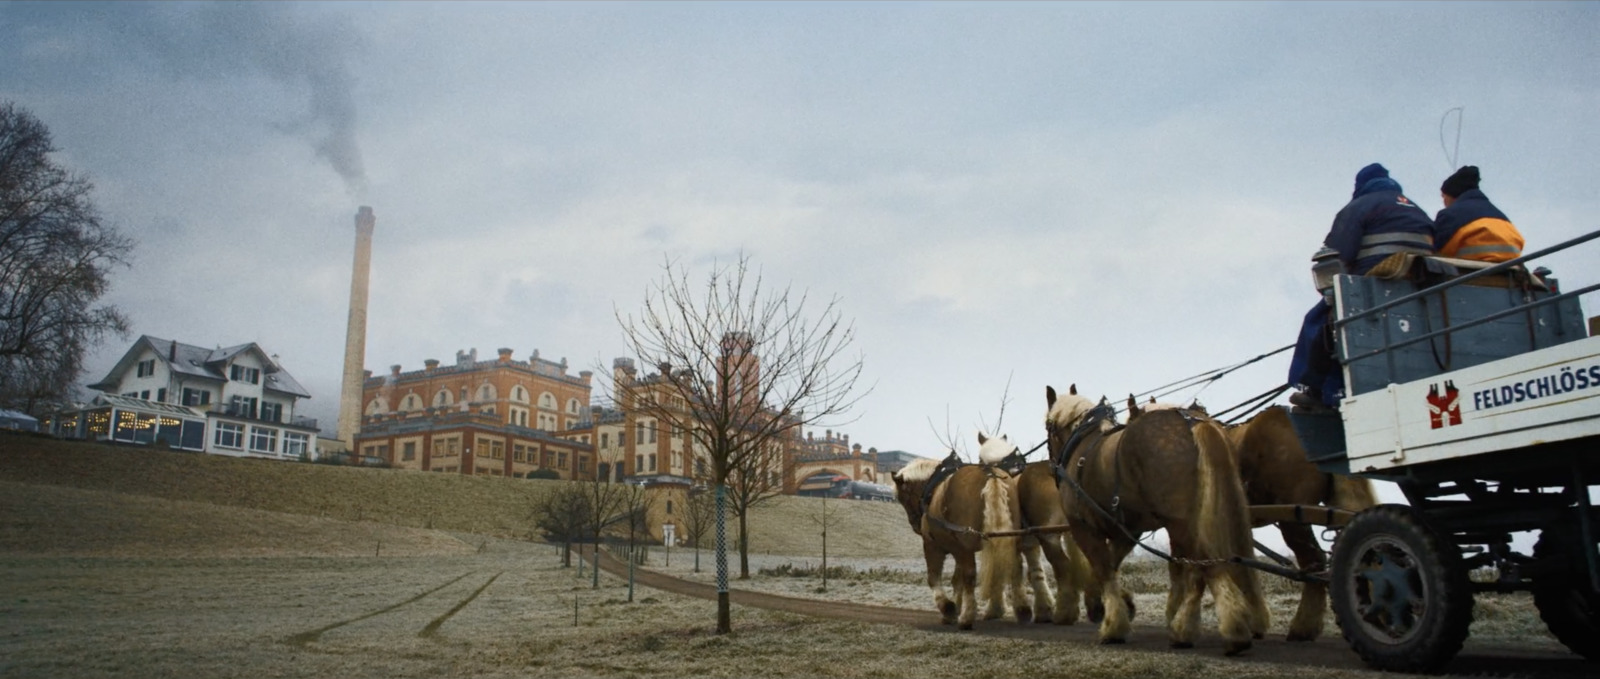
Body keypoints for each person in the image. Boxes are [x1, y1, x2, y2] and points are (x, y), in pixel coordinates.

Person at [1288, 163, 1435, 410]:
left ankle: (1314, 388)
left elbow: (1337, 253)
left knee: (1319, 323)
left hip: (1376, 280)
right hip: (1422, 284)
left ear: (1360, 186)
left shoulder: (1359, 207)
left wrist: (1330, 292)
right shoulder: (1417, 210)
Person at [1433, 165, 1524, 262]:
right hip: (1511, 268)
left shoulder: (1449, 215)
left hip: (1474, 271)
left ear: (1452, 195)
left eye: (1443, 197)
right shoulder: (1499, 216)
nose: (1443, 202)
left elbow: (1433, 250)